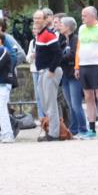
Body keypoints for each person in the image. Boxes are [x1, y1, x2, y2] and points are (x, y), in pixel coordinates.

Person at [74, 7, 98, 140]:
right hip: (84, 65)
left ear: (92, 16)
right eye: (82, 15)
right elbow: (78, 48)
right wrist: (77, 66)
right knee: (88, 97)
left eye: (84, 16)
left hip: (97, 65)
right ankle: (92, 129)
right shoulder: (81, 28)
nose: (82, 18)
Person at [33, 10, 64, 141]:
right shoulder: (40, 35)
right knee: (45, 103)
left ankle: (54, 133)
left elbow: (58, 53)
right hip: (43, 71)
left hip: (49, 71)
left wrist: (51, 70)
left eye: (40, 18)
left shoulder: (48, 35)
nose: (37, 21)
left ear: (45, 20)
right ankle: (51, 130)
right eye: (35, 18)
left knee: (50, 103)